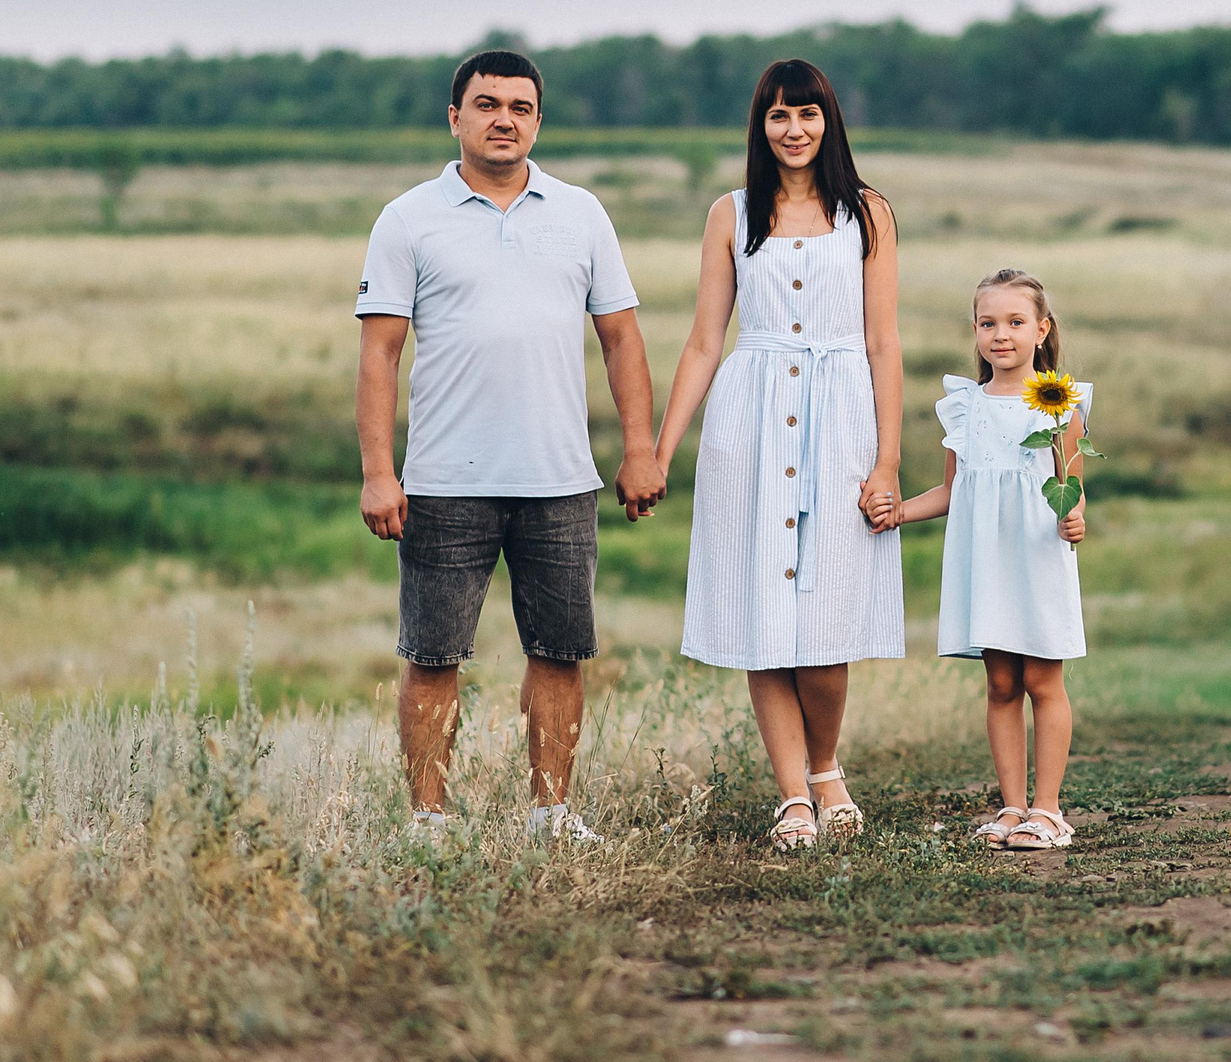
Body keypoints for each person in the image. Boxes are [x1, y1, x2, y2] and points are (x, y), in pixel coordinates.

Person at [354, 49, 665, 843]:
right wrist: (378, 473)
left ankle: (551, 813)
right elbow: (381, 353)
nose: (504, 119)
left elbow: (622, 339)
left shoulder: (580, 213)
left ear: (538, 121)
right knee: (432, 656)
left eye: (520, 108)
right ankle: (430, 818)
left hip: (559, 476)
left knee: (560, 651)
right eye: (486, 105)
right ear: (454, 117)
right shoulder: (408, 218)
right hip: (444, 478)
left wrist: (640, 449)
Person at [654, 59, 904, 850]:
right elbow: (703, 342)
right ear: (759, 128)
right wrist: (660, 452)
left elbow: (884, 343)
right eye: (777, 117)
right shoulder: (732, 214)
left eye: (807, 114)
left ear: (830, 122)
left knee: (827, 616)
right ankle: (793, 794)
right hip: (750, 423)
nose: (793, 130)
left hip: (841, 423)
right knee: (764, 613)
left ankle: (825, 766)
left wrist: (889, 460)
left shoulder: (867, 213)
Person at [878, 268, 1090, 853]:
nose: (1002, 335)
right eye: (988, 323)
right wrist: (898, 512)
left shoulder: (1058, 405)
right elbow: (953, 491)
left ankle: (1048, 810)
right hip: (986, 560)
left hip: (1038, 555)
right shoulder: (965, 407)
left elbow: (1070, 488)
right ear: (974, 331)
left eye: (1016, 323)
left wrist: (1076, 518)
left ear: (1042, 331)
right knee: (1001, 682)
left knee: (1042, 680)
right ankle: (1012, 806)